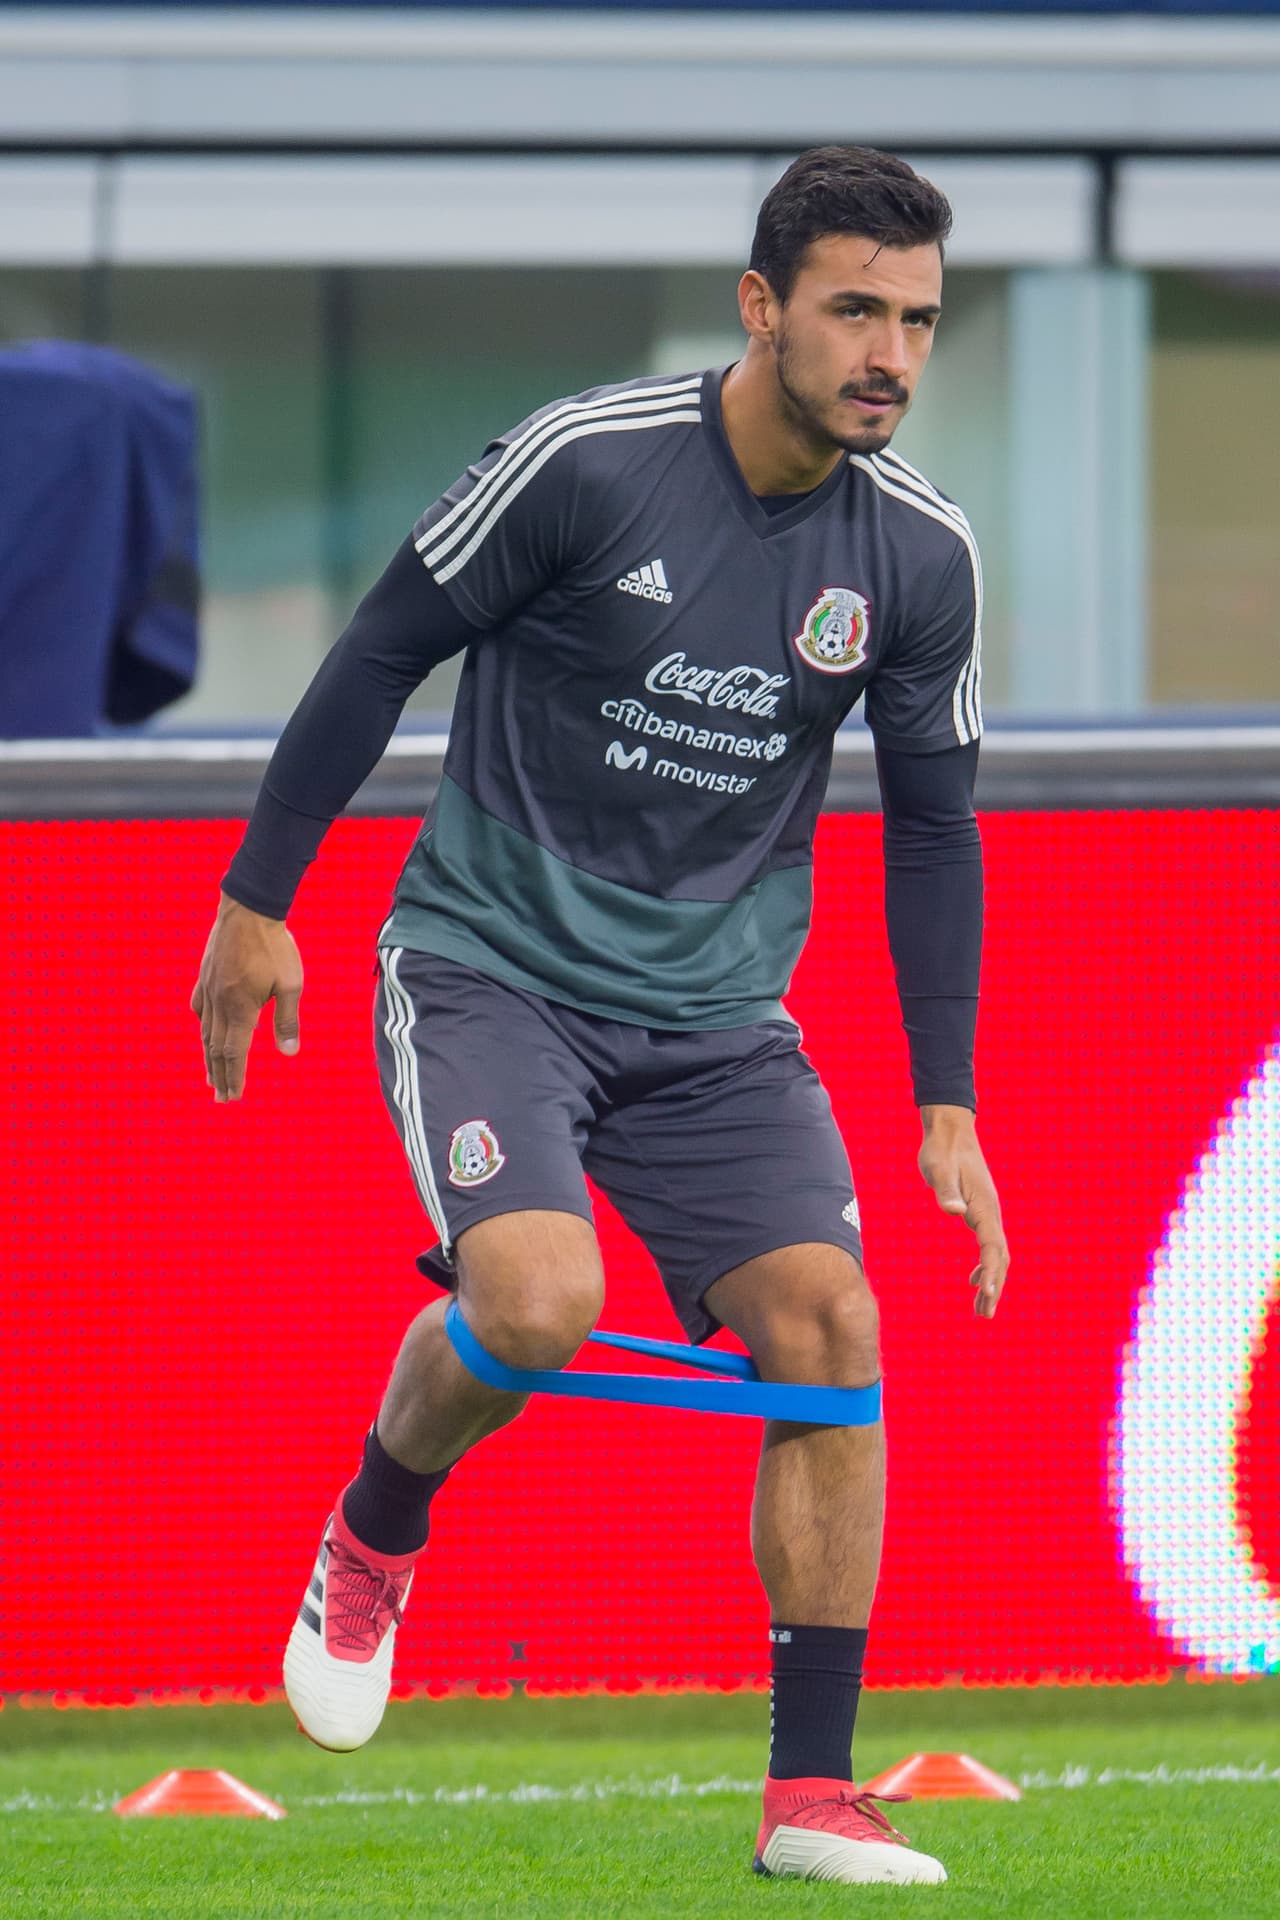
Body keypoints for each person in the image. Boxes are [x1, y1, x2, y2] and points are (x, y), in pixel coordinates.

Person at [191, 144, 1009, 1889]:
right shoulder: (586, 463)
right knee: (541, 1301)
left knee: (833, 1331)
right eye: (854, 308)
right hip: (489, 967)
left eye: (918, 321)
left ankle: (811, 1796)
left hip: (719, 1019)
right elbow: (379, 648)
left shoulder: (921, 558)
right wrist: (261, 902)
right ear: (761, 306)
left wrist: (947, 1097)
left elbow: (935, 822)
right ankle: (379, 1520)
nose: (890, 353)